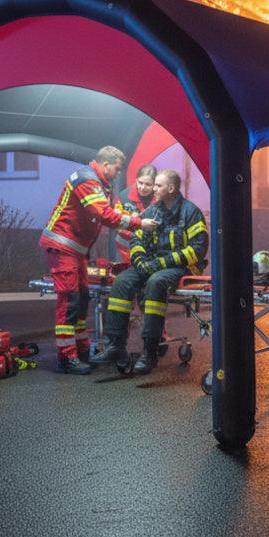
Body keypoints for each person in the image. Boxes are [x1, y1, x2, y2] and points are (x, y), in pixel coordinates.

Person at [39, 146, 158, 375]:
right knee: (70, 301)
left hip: (76, 249)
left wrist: (133, 229)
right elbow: (104, 214)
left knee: (82, 298)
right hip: (63, 247)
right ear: (106, 164)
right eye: (116, 168)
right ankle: (66, 358)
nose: (117, 172)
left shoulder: (98, 182)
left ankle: (82, 349)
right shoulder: (87, 181)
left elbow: (108, 214)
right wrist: (138, 223)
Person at [91, 169, 209, 374]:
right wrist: (140, 261)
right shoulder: (153, 211)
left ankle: (150, 351)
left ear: (171, 189)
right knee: (122, 281)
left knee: (156, 282)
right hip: (152, 265)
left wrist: (159, 263)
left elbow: (198, 249)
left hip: (179, 268)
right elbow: (136, 238)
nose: (153, 189)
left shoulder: (191, 212)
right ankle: (115, 345)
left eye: (158, 186)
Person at [115, 164, 157, 262]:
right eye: (140, 182)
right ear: (136, 180)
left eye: (148, 184)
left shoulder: (161, 199)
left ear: (154, 184)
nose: (143, 187)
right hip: (125, 246)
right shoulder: (123, 196)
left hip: (150, 249)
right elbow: (117, 223)